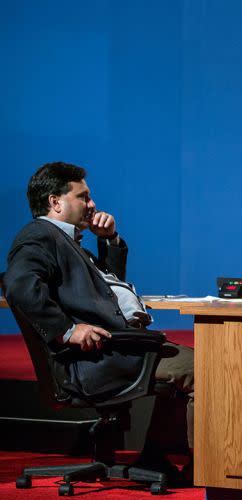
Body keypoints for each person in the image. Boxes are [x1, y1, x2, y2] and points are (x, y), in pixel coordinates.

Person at [3, 161, 194, 483]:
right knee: (204, 369)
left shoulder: (68, 242)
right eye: (83, 197)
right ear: (55, 202)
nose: (92, 205)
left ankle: (155, 458)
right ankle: (211, 468)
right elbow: (18, 285)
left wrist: (109, 239)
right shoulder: (39, 236)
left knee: (185, 364)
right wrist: (66, 330)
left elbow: (107, 291)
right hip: (95, 359)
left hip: (118, 348)